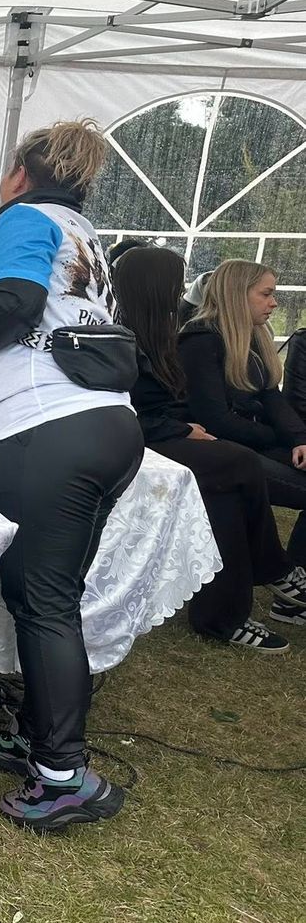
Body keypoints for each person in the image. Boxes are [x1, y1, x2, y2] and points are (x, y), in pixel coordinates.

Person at [0, 118, 141, 831]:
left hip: (50, 429)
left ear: (20, 175)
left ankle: (63, 776)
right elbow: (46, 317)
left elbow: (19, 305)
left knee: (44, 603)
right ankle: (37, 739)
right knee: (54, 597)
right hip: (108, 424)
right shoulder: (81, 231)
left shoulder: (21, 217)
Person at [112, 246, 297, 652]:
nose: (182, 293)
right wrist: (180, 426)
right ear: (153, 288)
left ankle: (224, 617)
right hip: (141, 441)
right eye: (175, 285)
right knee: (238, 463)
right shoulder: (126, 338)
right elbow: (121, 411)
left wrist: (295, 437)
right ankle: (274, 570)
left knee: (224, 492)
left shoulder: (161, 332)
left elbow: (266, 399)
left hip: (169, 433)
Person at [178, 259, 306, 629]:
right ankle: (291, 589)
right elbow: (216, 419)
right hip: (223, 452)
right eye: (266, 294)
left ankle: (293, 587)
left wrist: (299, 439)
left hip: (250, 442)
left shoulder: (252, 338)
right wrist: (275, 436)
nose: (274, 303)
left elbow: (271, 398)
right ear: (237, 295)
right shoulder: (200, 341)